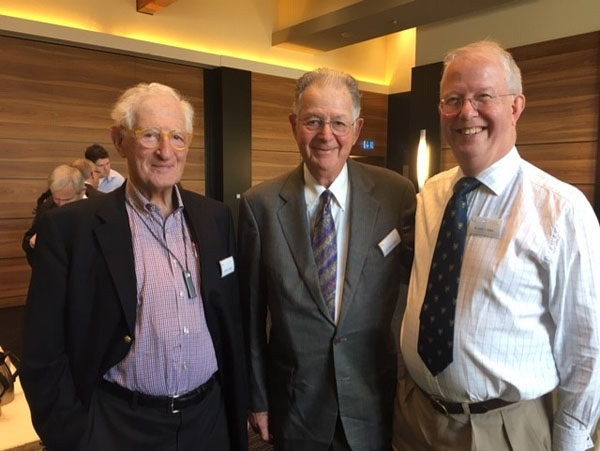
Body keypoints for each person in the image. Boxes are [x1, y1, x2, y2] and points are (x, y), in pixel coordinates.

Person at [395, 40, 600, 451]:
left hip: (503, 429)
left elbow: (587, 347)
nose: (466, 112)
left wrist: (573, 442)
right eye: (453, 99)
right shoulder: (431, 195)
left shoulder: (560, 210)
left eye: (483, 96)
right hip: (416, 416)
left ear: (516, 106)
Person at [21, 82, 248, 451]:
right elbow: (42, 350)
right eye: (151, 135)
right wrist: (73, 436)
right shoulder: (70, 229)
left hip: (207, 421)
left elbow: (231, 323)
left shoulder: (215, 217)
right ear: (120, 139)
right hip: (119, 427)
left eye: (177, 137)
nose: (165, 151)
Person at [238, 68, 416, 450]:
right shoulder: (260, 206)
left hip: (374, 398)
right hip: (296, 403)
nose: (325, 135)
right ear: (293, 125)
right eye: (313, 121)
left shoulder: (395, 194)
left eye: (338, 122)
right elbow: (250, 316)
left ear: (357, 128)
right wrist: (257, 399)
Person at [22, 164, 86, 266]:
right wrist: (32, 242)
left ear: (82, 192)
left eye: (67, 199)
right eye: (57, 198)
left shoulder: (98, 206)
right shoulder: (47, 206)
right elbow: (27, 241)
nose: (61, 204)